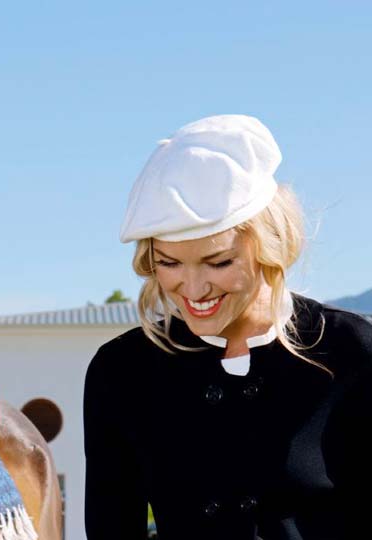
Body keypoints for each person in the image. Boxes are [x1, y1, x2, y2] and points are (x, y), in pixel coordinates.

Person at [83, 114, 372, 539]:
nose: (194, 288)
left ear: (270, 246)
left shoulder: (352, 352)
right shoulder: (121, 371)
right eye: (169, 263)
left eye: (218, 262)